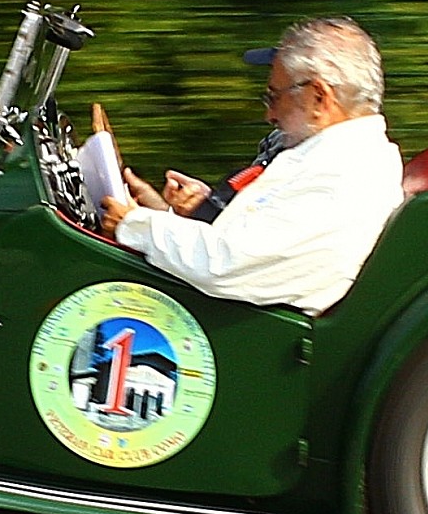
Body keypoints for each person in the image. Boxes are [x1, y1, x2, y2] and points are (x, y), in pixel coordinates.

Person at [99, 16, 406, 316]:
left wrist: (135, 225)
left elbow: (227, 264)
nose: (269, 115)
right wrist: (162, 214)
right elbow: (244, 243)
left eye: (273, 96)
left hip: (255, 331)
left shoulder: (346, 175)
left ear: (318, 98)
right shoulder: (333, 158)